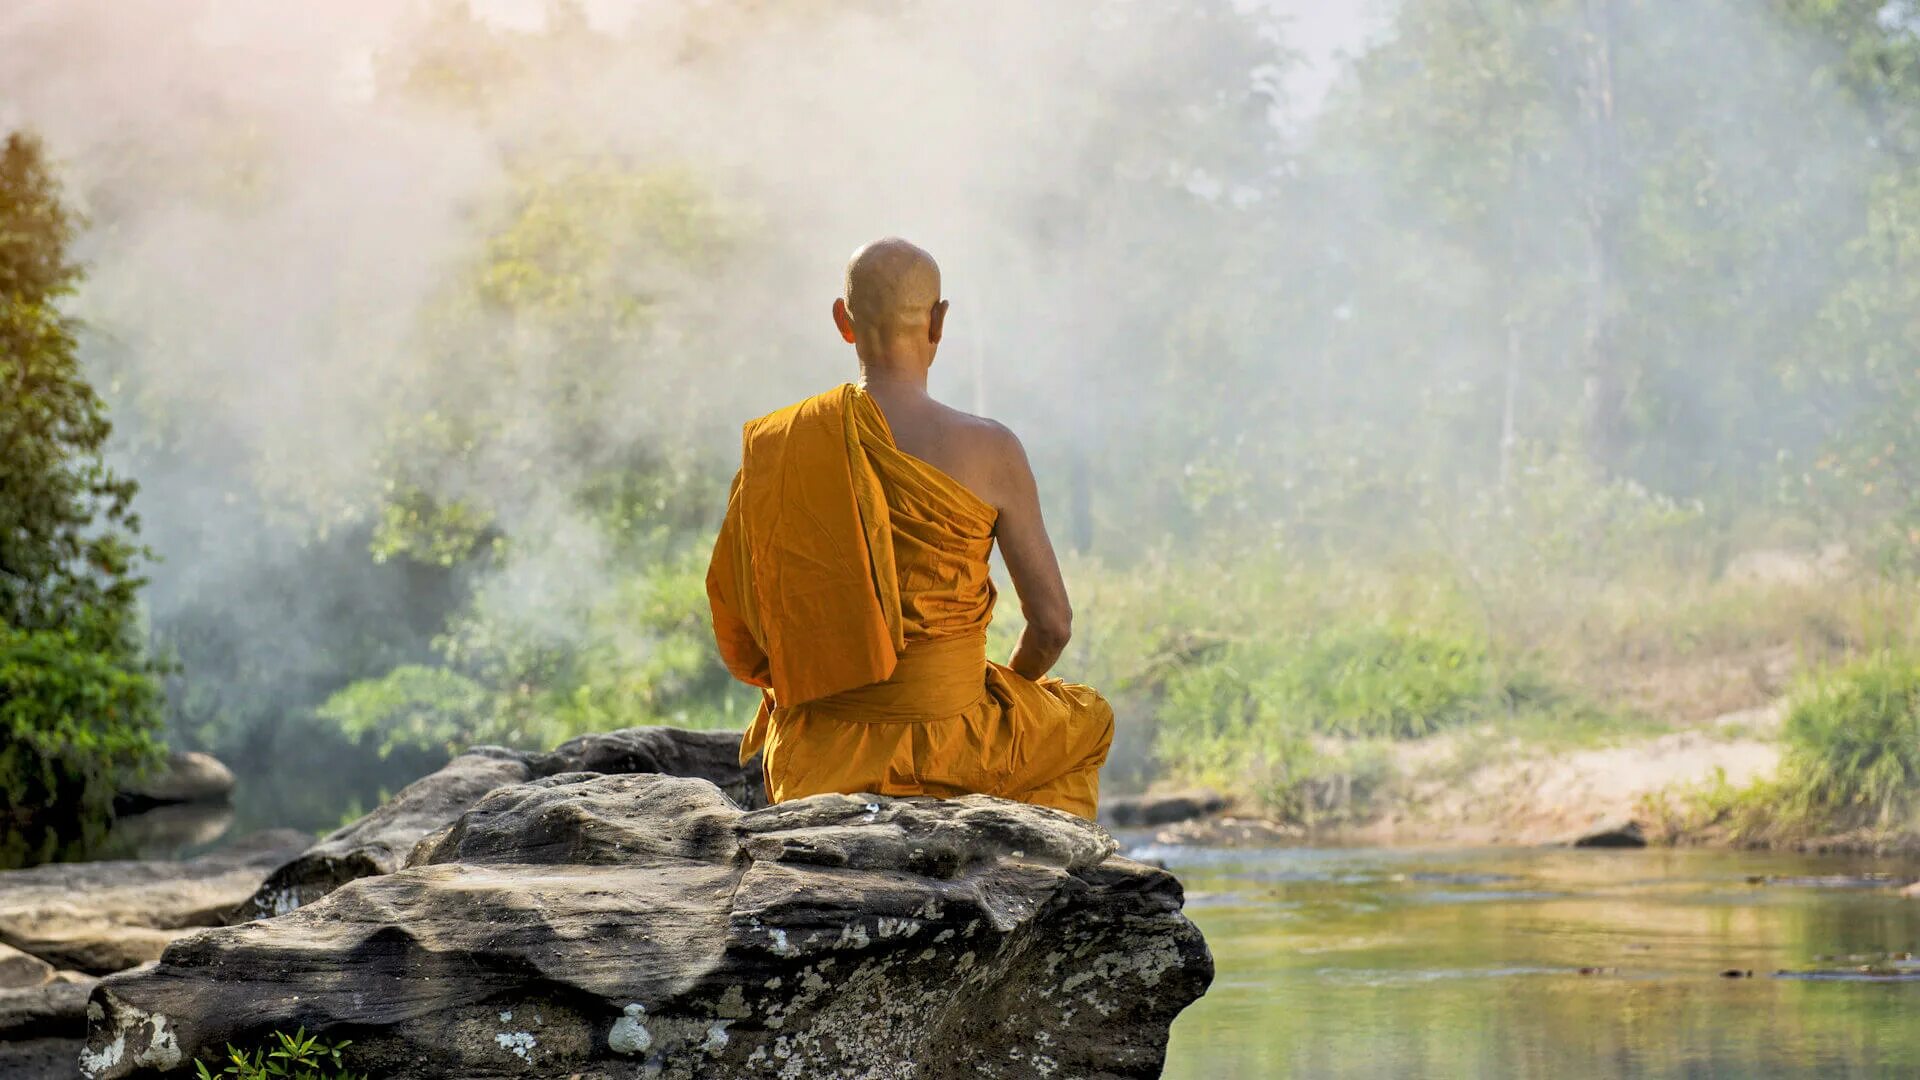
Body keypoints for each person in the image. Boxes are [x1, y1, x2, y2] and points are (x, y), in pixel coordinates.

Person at [705, 237, 1113, 820]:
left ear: (843, 321)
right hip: (960, 746)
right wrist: (996, 690)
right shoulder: (992, 449)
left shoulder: (782, 445)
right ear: (938, 322)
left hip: (821, 757)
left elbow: (746, 630)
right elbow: (1052, 626)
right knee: (1088, 721)